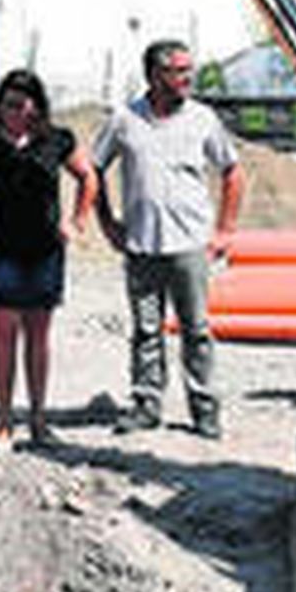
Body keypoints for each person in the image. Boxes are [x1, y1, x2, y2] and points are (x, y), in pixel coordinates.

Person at [92, 39, 244, 439]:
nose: (187, 78)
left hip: (190, 245)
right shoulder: (124, 120)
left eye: (188, 70)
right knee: (145, 331)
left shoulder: (203, 119)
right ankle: (146, 404)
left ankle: (204, 408)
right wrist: (107, 222)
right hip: (141, 245)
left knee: (196, 331)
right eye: (177, 71)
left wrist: (226, 229)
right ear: (154, 76)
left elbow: (232, 170)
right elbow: (94, 171)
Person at [0, 69, 98, 450]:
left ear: (37, 107)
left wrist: (77, 220)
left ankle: (39, 419)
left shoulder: (56, 139)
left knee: (38, 336)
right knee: (3, 333)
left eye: (25, 104)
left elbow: (88, 177)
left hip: (45, 249)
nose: (16, 111)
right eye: (9, 103)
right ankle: (3, 421)